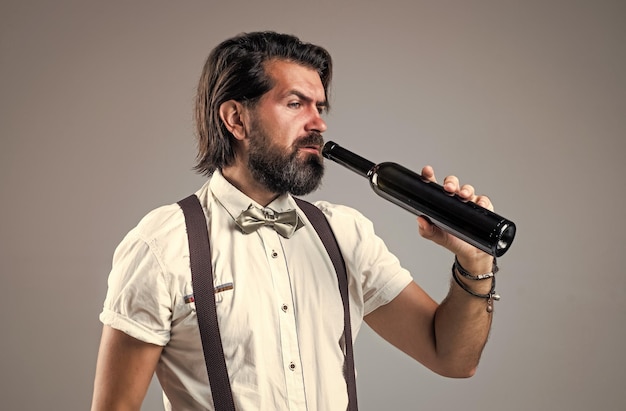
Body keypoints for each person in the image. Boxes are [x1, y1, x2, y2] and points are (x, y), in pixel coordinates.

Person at [91, 31, 499, 411]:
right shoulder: (163, 246)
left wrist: (474, 260)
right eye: (295, 104)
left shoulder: (345, 235)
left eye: (319, 107)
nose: (318, 123)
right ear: (236, 119)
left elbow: (452, 358)